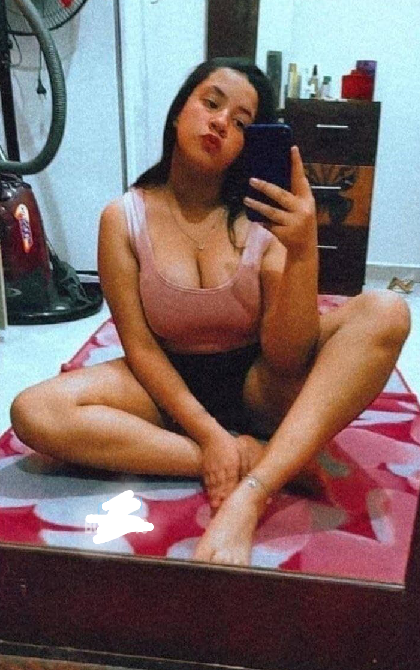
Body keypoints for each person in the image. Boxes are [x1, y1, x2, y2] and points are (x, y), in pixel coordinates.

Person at [11, 58, 410, 566]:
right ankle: (254, 457)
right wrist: (212, 438)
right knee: (34, 411)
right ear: (180, 111)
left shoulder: (264, 219)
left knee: (386, 310)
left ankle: (258, 486)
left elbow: (287, 357)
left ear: (251, 142)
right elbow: (139, 346)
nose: (221, 122)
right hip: (163, 383)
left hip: (258, 380)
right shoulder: (123, 218)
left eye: (242, 122)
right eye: (211, 103)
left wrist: (303, 250)